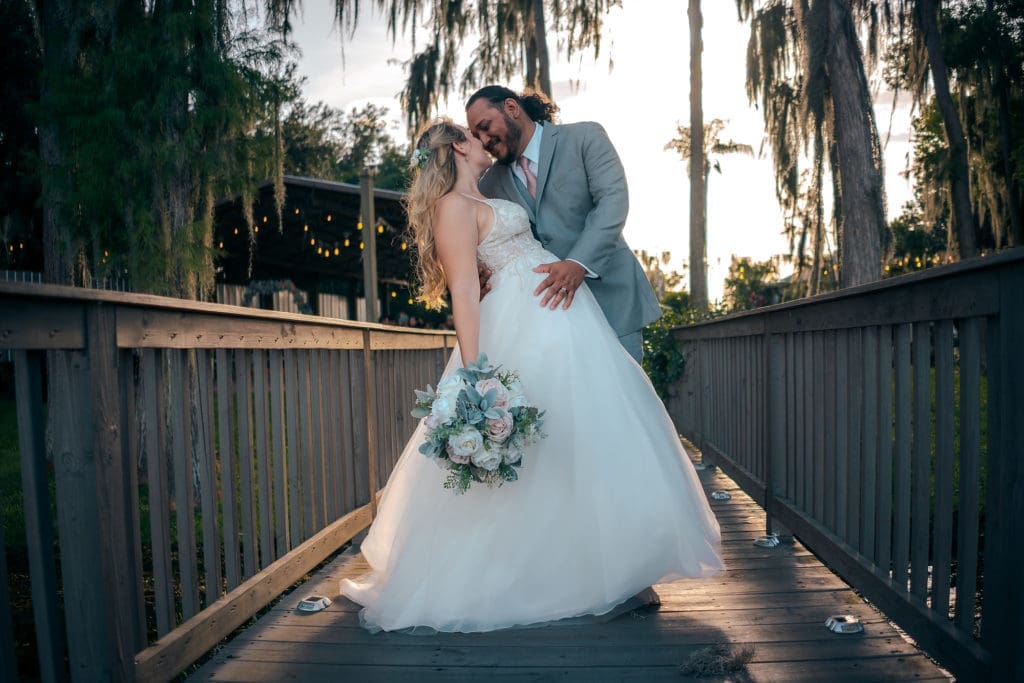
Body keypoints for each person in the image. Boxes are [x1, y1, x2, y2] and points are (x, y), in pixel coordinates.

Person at [339, 118, 723, 634]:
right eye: (475, 136)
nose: (485, 141)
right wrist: (476, 373)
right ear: (459, 146)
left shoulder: (487, 191)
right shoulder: (453, 207)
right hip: (520, 328)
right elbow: (464, 292)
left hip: (564, 322)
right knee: (539, 449)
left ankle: (604, 568)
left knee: (581, 438)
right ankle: (534, 573)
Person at [466, 86, 661, 363]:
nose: (484, 140)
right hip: (546, 317)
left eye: (485, 127)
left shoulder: (585, 137)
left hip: (612, 302)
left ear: (511, 108)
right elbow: (477, 234)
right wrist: (478, 272)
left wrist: (578, 263)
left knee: (622, 400)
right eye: (476, 136)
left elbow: (613, 201)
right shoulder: (490, 183)